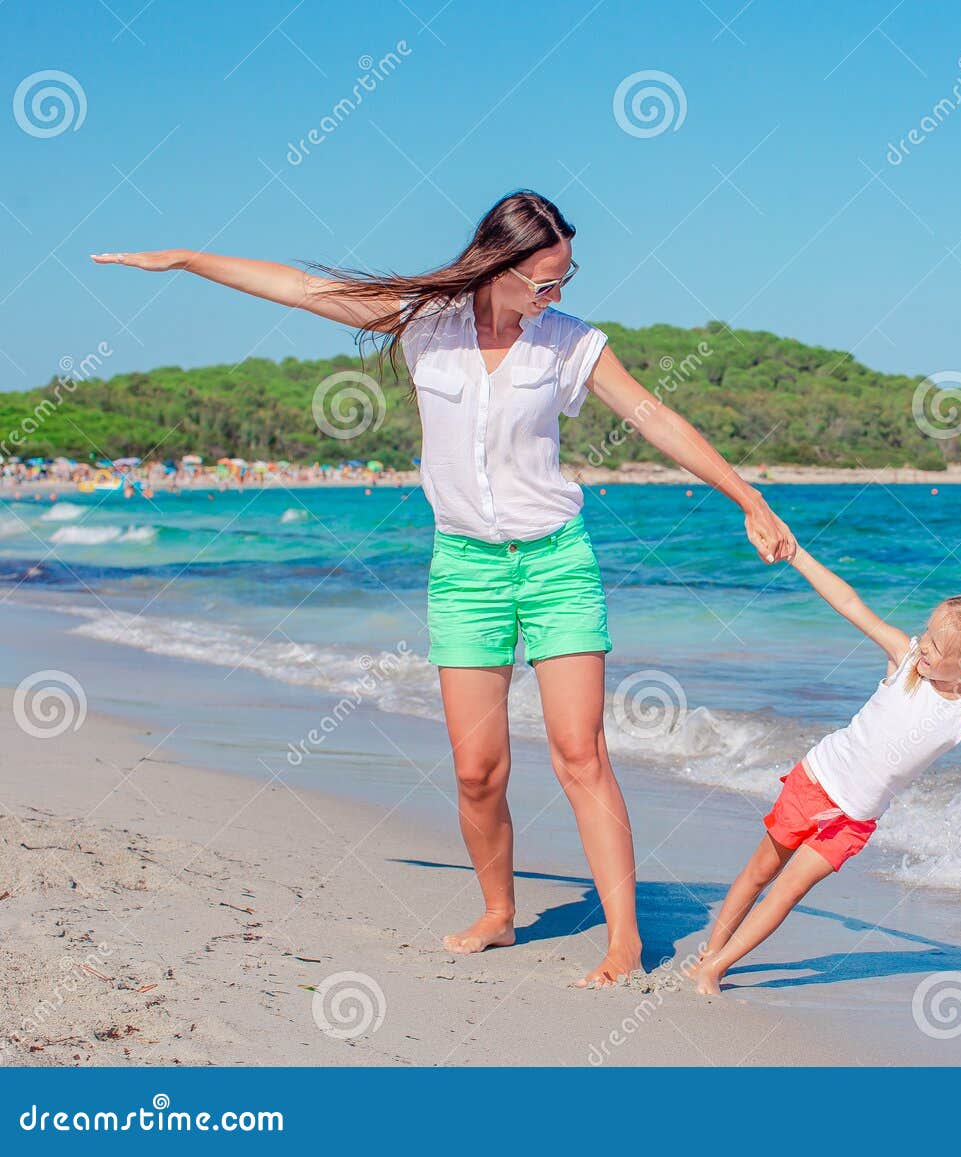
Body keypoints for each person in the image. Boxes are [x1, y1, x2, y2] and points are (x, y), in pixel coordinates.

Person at [94, 190, 796, 988]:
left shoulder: (570, 345)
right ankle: (499, 912)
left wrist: (750, 498)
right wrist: (188, 259)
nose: (556, 295)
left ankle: (625, 938)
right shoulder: (424, 323)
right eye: (543, 282)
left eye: (566, 278)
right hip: (465, 569)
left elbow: (655, 417)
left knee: (580, 753)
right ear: (496, 269)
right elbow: (298, 286)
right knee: (476, 771)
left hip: (557, 563)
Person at [691, 545, 961, 995]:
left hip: (853, 820)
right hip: (815, 781)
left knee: (788, 891)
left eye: (934, 643)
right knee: (758, 874)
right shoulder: (905, 660)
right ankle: (711, 952)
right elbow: (849, 603)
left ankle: (718, 967)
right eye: (926, 632)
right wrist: (796, 556)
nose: (922, 643)